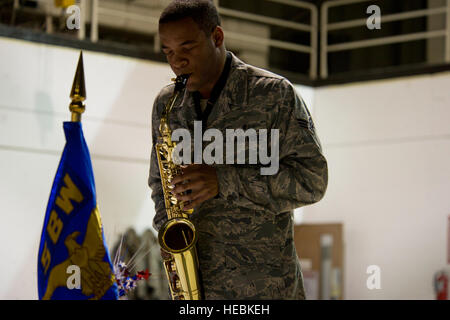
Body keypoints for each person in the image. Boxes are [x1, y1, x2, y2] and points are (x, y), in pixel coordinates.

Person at [148, 0, 328, 299]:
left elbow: (313, 181)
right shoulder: (167, 105)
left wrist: (224, 181)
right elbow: (159, 184)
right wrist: (172, 240)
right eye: (168, 51)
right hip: (196, 287)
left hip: (266, 289)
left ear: (216, 37)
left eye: (187, 47)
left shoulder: (274, 94)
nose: (176, 61)